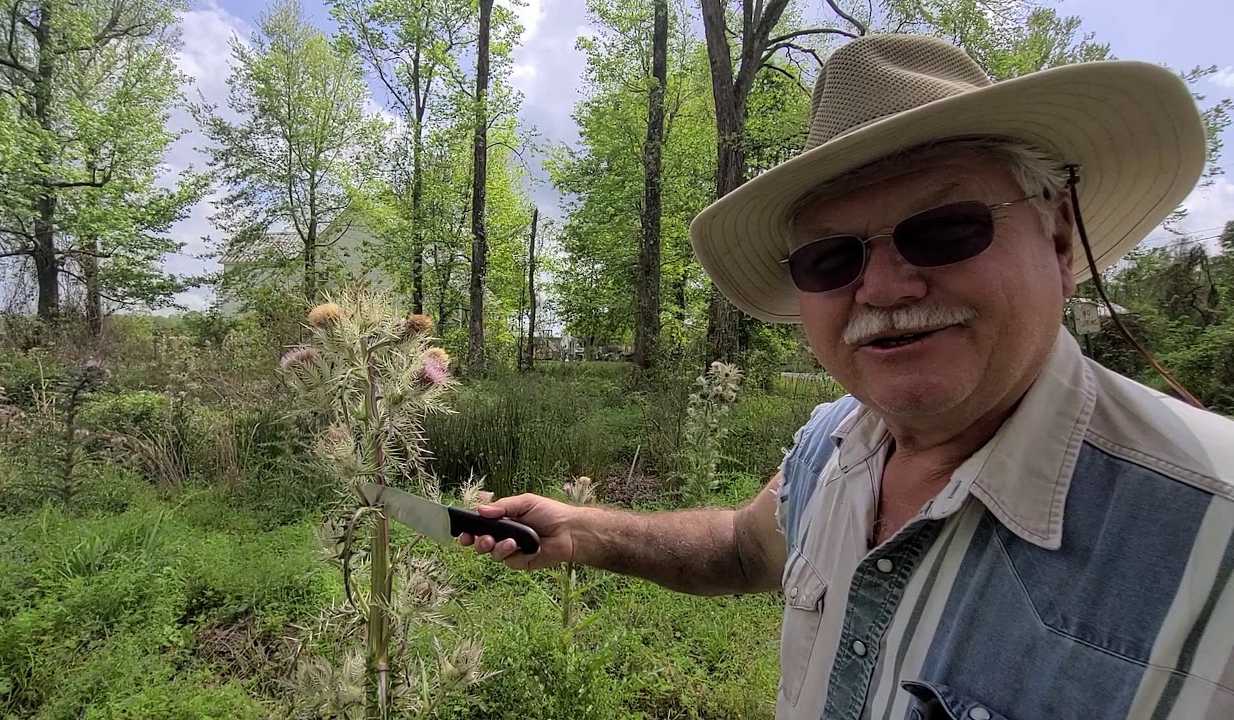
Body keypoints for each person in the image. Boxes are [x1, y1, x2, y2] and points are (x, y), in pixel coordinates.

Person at [457, 33, 1234, 720]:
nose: (885, 288)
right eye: (831, 257)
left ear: (1060, 237)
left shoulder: (1217, 535)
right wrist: (587, 530)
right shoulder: (832, 443)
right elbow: (738, 548)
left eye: (943, 228)